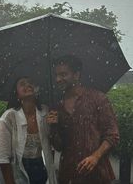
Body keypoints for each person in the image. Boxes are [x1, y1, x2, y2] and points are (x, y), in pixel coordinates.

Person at [46, 55, 119, 184]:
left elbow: (112, 135)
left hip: (97, 174)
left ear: (76, 75)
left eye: (63, 74)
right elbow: (59, 146)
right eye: (56, 75)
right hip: (69, 175)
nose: (58, 79)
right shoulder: (57, 107)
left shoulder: (98, 98)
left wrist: (95, 157)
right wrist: (53, 126)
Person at [0, 77, 57, 184]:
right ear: (17, 95)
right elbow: (2, 157)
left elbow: (54, 144)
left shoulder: (45, 112)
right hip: (16, 170)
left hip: (41, 169)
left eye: (31, 83)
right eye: (22, 84)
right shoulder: (9, 117)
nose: (28, 85)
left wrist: (55, 126)